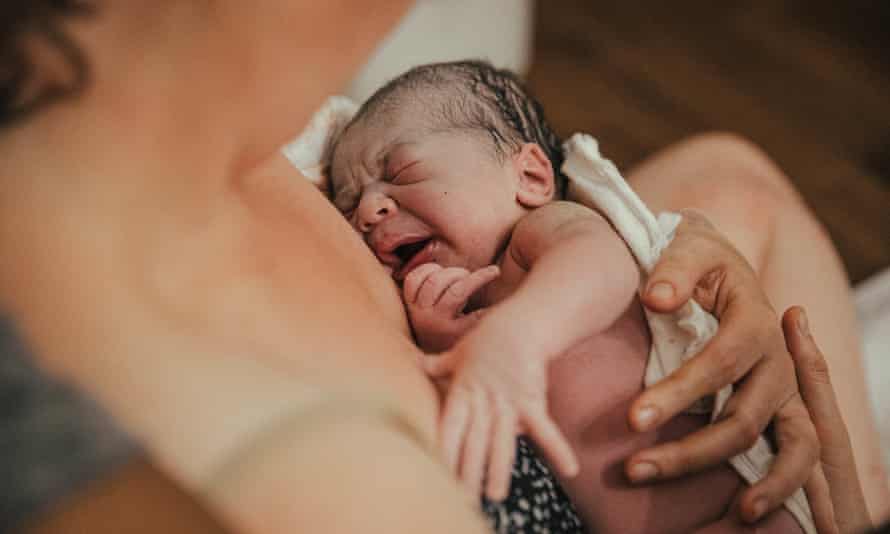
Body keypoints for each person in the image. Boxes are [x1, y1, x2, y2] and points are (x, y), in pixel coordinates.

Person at [0, 1, 884, 532]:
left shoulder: (304, 142)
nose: (374, 209)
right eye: (365, 200)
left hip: (706, 423)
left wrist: (668, 258)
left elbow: (545, 216)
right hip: (676, 498)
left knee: (734, 174)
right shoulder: (278, 462)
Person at [327, 59, 805, 533]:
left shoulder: (544, 233)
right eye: (349, 205)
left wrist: (516, 335)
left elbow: (603, 267)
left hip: (748, 502)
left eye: (402, 172)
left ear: (530, 178)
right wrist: (443, 336)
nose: (370, 209)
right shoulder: (481, 304)